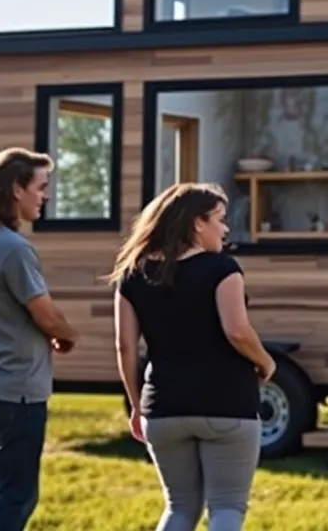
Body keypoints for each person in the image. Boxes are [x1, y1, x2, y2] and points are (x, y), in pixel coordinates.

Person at [108, 182, 277, 531]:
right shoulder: (222, 269)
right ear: (197, 224)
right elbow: (237, 332)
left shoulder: (132, 275)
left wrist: (138, 406)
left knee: (180, 508)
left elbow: (124, 346)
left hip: (164, 408)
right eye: (220, 219)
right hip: (227, 405)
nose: (226, 228)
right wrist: (266, 361)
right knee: (227, 508)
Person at [0, 147, 80, 531]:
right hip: (17, 393)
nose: (46, 196)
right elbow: (45, 313)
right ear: (16, 190)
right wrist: (67, 335)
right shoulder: (14, 248)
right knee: (18, 496)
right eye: (41, 187)